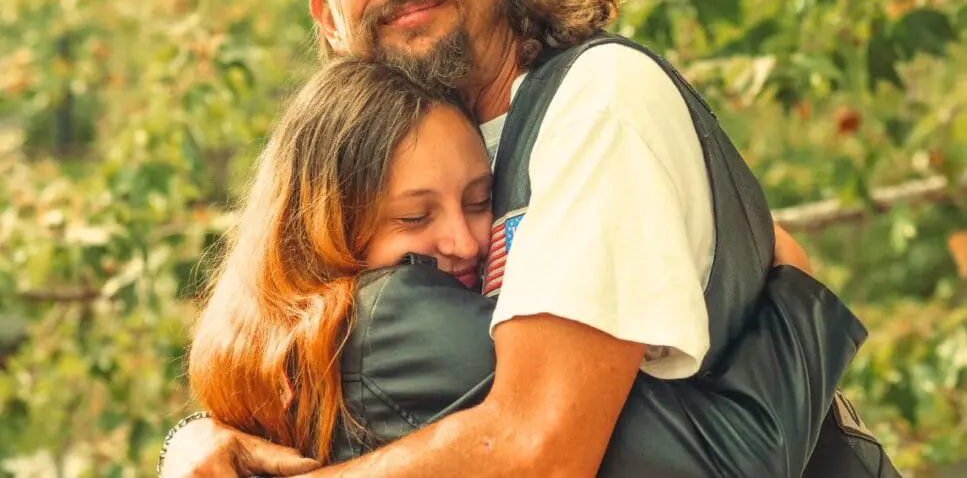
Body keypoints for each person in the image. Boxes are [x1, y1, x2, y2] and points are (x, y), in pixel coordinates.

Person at [160, 0, 899, 476]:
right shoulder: (390, 161)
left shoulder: (593, 104)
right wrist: (195, 436)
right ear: (326, 19)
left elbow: (538, 448)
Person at [179, 57, 857, 478]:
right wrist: (797, 289)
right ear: (324, 226)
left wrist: (185, 442)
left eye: (480, 200)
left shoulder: (284, 340)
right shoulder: (387, 316)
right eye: (413, 218)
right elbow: (728, 463)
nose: (463, 240)